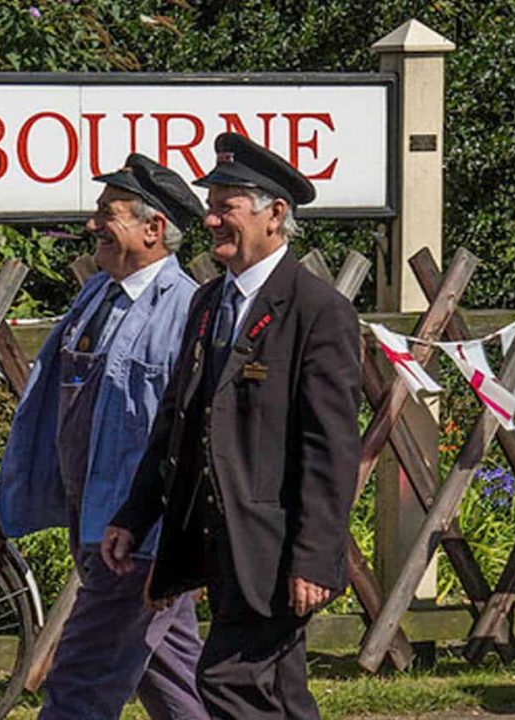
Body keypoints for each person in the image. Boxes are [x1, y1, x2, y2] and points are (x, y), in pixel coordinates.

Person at [102, 133, 361, 719]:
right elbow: (177, 424)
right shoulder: (208, 302)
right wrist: (134, 515)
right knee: (278, 693)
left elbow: (330, 447)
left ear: (275, 215)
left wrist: (316, 557)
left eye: (227, 206)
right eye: (211, 204)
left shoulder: (317, 311)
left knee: (227, 681)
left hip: (273, 547)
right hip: (219, 545)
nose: (212, 218)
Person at [0, 153, 209, 720]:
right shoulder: (96, 297)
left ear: (154, 229)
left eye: (108, 213)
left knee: (79, 684)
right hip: (95, 522)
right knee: (174, 681)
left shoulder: (185, 312)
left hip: (134, 541)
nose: (91, 225)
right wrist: (9, 507)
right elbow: (54, 415)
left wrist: (166, 540)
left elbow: (193, 437)